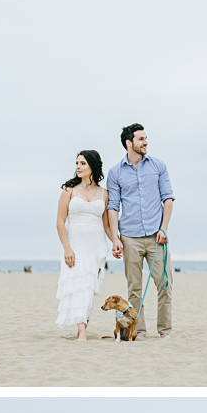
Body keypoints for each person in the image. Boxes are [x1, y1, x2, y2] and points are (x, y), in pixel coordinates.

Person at [107, 124, 174, 340]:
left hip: (157, 237)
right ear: (129, 143)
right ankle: (140, 331)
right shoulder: (115, 172)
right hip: (130, 238)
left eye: (146, 138)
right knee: (134, 289)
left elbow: (168, 198)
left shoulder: (158, 166)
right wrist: (115, 238)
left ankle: (164, 331)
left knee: (164, 285)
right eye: (141, 139)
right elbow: (113, 207)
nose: (145, 142)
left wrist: (163, 228)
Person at [56, 151, 112, 342]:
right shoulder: (69, 190)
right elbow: (60, 222)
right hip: (76, 245)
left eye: (83, 163)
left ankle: (83, 328)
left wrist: (117, 242)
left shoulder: (104, 193)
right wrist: (67, 248)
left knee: (88, 288)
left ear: (93, 167)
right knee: (77, 285)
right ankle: (82, 332)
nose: (78, 167)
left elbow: (106, 225)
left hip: (96, 246)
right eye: (77, 163)